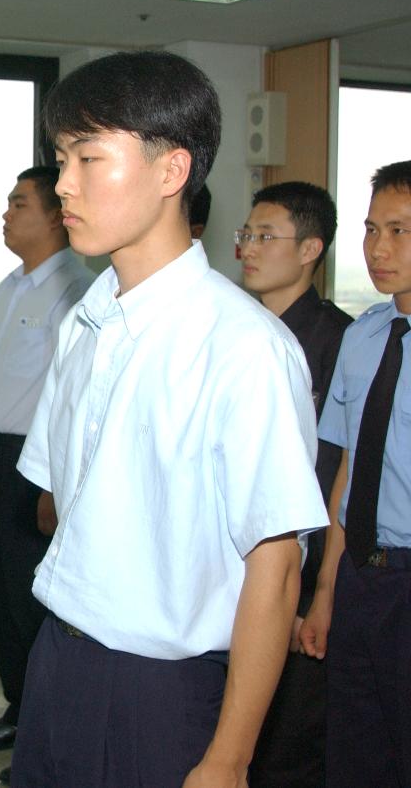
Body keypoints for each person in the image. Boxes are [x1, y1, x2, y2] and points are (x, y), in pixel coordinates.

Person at [9, 51, 327, 788]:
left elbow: (274, 574)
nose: (64, 185)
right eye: (60, 159)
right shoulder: (84, 320)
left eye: (90, 157)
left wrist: (228, 758)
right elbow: (56, 503)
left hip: (162, 688)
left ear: (171, 170)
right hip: (59, 657)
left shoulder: (243, 348)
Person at [0, 167, 94, 765]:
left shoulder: (77, 290)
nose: (6, 215)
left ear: (56, 215)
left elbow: (73, 397)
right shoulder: (11, 288)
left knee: (28, 597)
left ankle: (47, 730)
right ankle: (18, 710)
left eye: (18, 203)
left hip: (31, 464)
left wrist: (55, 483)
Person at [302, 159, 411, 786]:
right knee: (355, 750)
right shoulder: (365, 336)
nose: (377, 248)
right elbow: (345, 471)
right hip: (363, 579)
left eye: (398, 231)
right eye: (371, 230)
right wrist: (326, 593)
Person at [238, 181, 351, 787]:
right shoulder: (234, 329)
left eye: (265, 236)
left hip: (295, 564)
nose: (249, 249)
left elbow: (331, 471)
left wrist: (314, 591)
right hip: (228, 554)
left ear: (310, 249)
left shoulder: (337, 340)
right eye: (246, 235)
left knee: (288, 738)